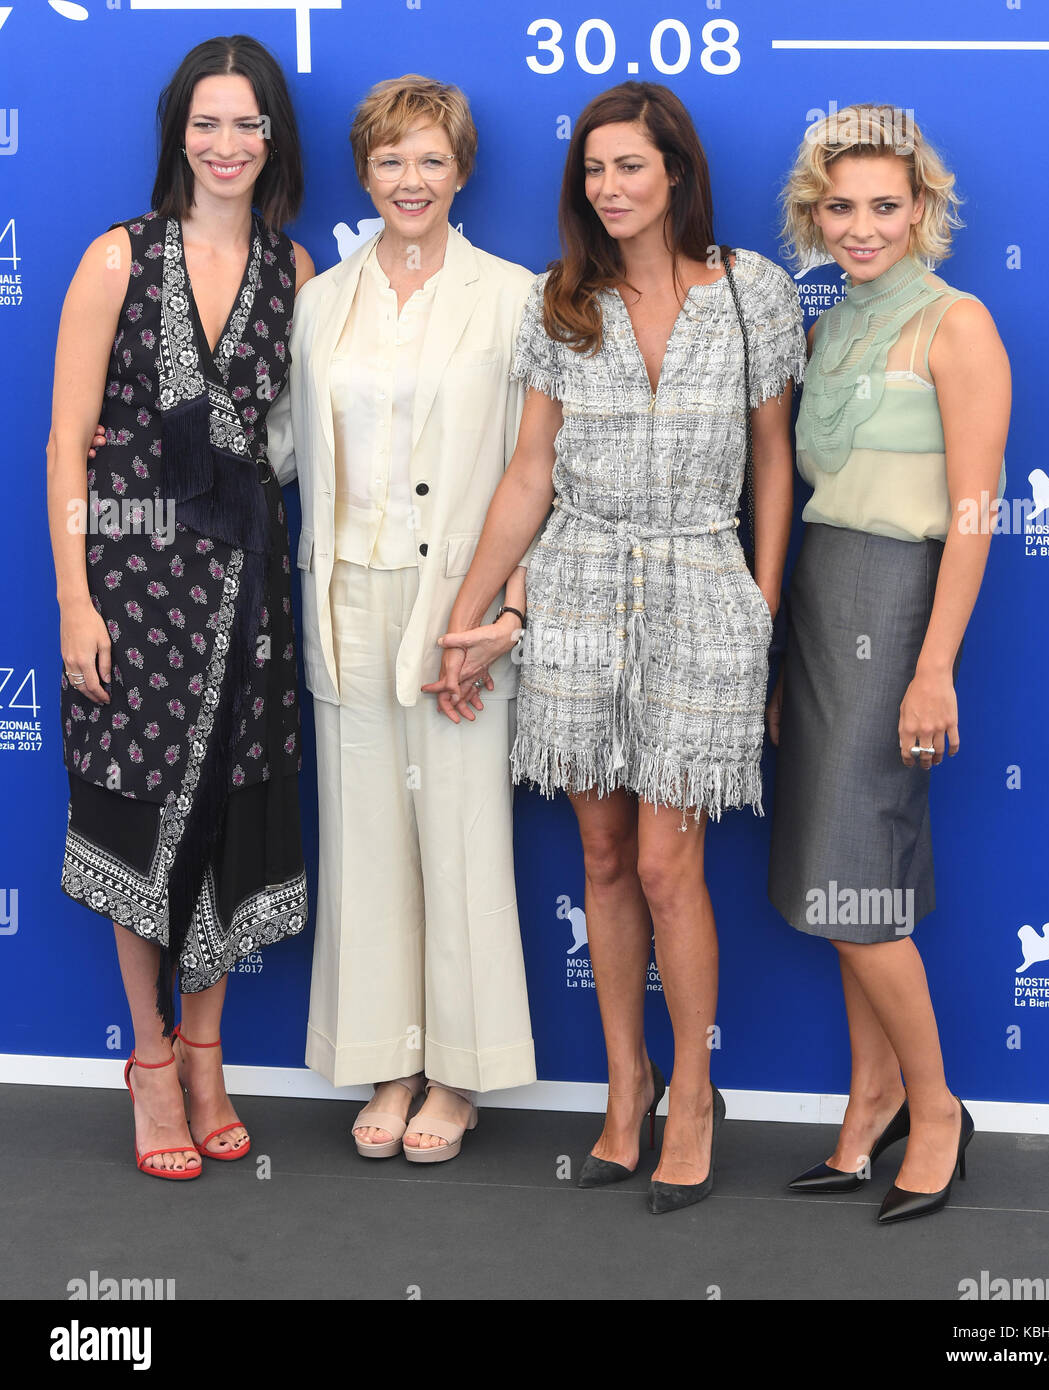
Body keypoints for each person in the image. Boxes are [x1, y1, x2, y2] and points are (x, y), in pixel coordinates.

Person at [430, 82, 805, 1212]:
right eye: (595, 169)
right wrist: (472, 612)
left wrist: (762, 607)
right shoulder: (562, 300)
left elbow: (776, 461)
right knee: (601, 860)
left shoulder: (752, 293)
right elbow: (531, 472)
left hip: (702, 583)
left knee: (663, 863)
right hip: (582, 588)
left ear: (677, 174)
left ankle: (696, 1090)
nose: (611, 187)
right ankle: (626, 1085)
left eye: (632, 166)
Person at [48, 35, 315, 1179]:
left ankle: (206, 1049)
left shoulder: (296, 270)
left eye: (246, 123)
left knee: (235, 811)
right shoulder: (120, 257)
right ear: (179, 136)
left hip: (250, 590)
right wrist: (74, 600)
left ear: (272, 139)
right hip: (132, 587)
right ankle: (150, 1062)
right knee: (136, 808)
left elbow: (308, 442)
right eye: (205, 123)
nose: (225, 144)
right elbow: (66, 441)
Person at [267, 75, 537, 1162]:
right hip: (343, 594)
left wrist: (506, 604)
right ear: (365, 172)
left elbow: (538, 465)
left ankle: (462, 1077)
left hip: (459, 605)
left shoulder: (515, 295)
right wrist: (141, 450)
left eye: (431, 159)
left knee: (463, 838)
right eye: (390, 161)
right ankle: (388, 1059)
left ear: (461, 170)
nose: (410, 180)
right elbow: (282, 445)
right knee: (364, 836)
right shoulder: (319, 300)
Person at [768, 105, 1010, 1222]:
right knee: (845, 877)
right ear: (813, 214)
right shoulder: (826, 327)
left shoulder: (958, 325)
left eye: (883, 206)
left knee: (854, 872)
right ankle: (867, 1107)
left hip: (900, 605)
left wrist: (934, 665)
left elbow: (972, 513)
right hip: (820, 595)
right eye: (839, 207)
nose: (860, 227)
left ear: (924, 210)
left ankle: (939, 1107)